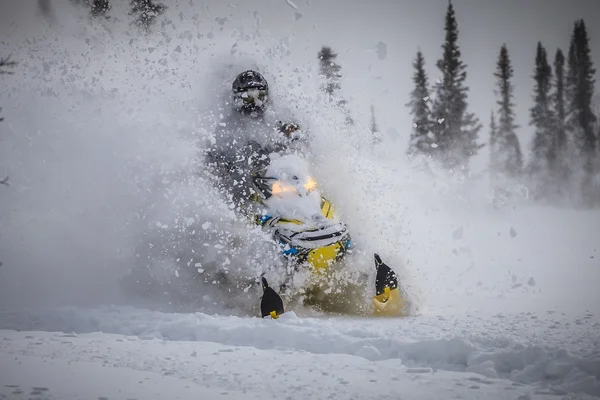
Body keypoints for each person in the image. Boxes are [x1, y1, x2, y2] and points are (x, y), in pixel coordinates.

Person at [205, 70, 306, 212]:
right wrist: (222, 164)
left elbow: (292, 136)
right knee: (238, 194)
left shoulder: (274, 118)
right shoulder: (226, 127)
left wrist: (294, 134)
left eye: (260, 96)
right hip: (245, 186)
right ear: (237, 98)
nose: (255, 102)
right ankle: (240, 224)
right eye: (248, 97)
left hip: (275, 178)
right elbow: (214, 154)